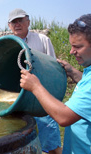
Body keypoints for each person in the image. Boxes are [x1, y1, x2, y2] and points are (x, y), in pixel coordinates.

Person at [20, 13, 91, 154]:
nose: (72, 52)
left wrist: (35, 87)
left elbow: (64, 117)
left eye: (77, 47)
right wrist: (73, 72)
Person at [8, 8, 61, 154]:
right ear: (9, 26)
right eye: (14, 22)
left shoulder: (43, 40)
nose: (17, 24)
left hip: (42, 99)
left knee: (52, 142)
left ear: (28, 22)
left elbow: (53, 67)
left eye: (20, 20)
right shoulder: (8, 45)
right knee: (25, 144)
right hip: (19, 100)